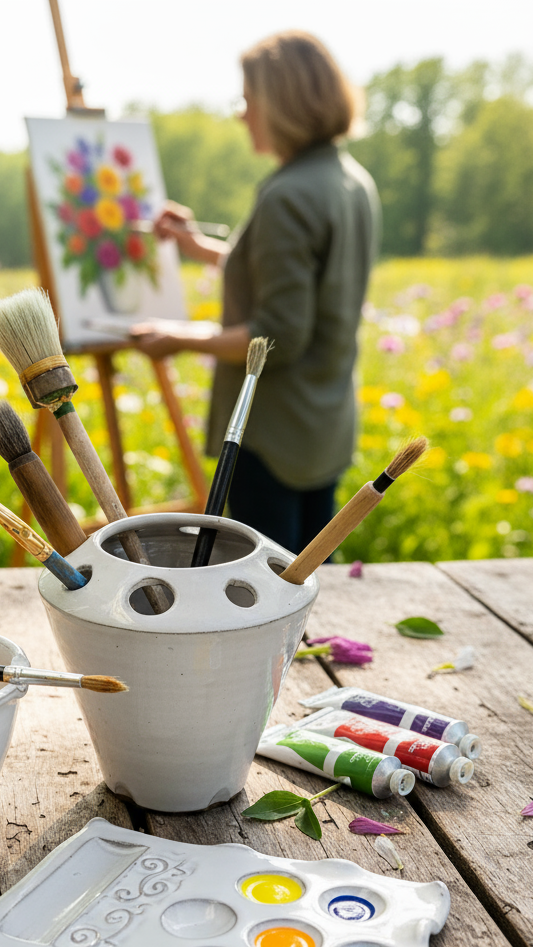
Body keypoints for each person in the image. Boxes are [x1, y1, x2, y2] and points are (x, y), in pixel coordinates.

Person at [131, 30, 380, 555]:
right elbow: (301, 281)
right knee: (304, 579)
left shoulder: (287, 194)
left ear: (282, 101)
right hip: (322, 425)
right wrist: (200, 248)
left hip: (273, 434)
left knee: (267, 590)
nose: (242, 114)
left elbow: (278, 333)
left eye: (249, 100)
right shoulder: (350, 179)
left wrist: (180, 337)